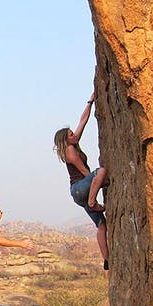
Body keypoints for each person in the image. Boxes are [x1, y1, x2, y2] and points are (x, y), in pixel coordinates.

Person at [54, 92, 109, 270]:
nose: (74, 134)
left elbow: (82, 121)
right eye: (71, 134)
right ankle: (93, 202)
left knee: (102, 225)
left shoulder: (72, 144)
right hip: (80, 188)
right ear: (66, 139)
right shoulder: (70, 150)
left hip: (80, 193)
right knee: (101, 172)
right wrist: (98, 183)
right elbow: (84, 171)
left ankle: (107, 259)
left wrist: (90, 102)